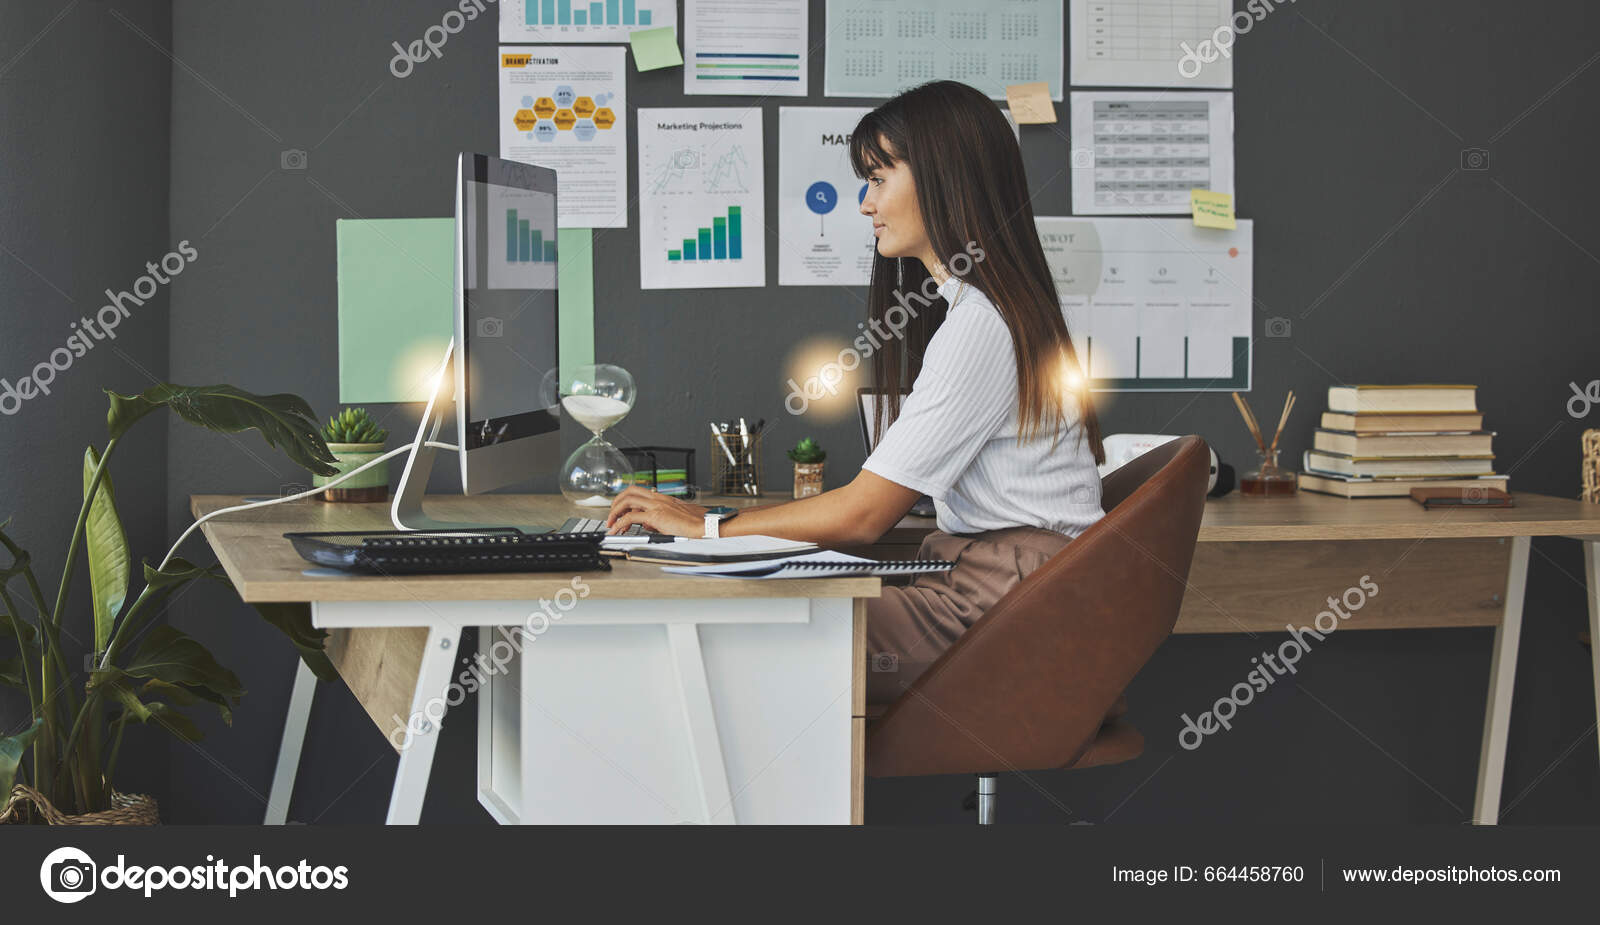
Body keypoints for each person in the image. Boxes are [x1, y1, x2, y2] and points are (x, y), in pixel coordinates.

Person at [606, 80, 1106, 704]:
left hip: (1011, 600)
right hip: (1011, 582)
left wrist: (707, 526)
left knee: (752, 639)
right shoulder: (991, 310)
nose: (865, 203)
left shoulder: (982, 324)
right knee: (761, 626)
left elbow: (863, 516)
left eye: (878, 178)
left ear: (945, 180)